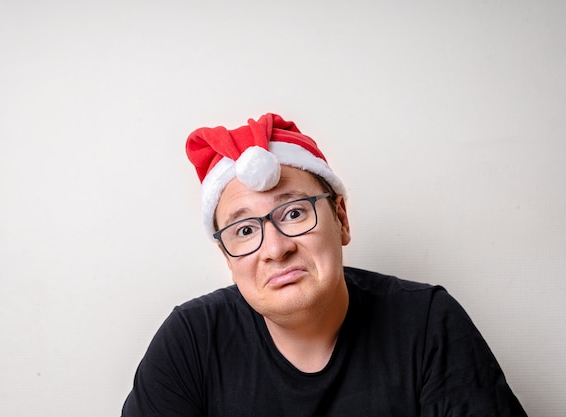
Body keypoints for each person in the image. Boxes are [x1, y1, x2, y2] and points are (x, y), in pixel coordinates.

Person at [121, 113, 527, 416]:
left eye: (294, 213)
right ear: (227, 257)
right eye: (244, 231)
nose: (275, 249)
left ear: (342, 219)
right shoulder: (190, 342)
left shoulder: (427, 324)